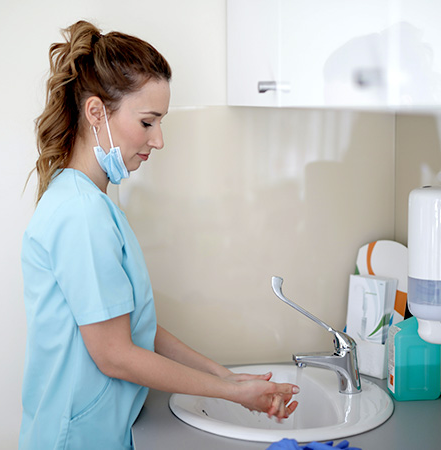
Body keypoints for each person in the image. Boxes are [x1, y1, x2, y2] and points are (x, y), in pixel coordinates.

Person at [19, 20, 299, 450]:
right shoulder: (80, 213)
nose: (159, 139)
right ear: (96, 113)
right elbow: (115, 354)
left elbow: (134, 327)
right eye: (148, 122)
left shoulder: (90, 203)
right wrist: (231, 393)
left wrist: (222, 374)